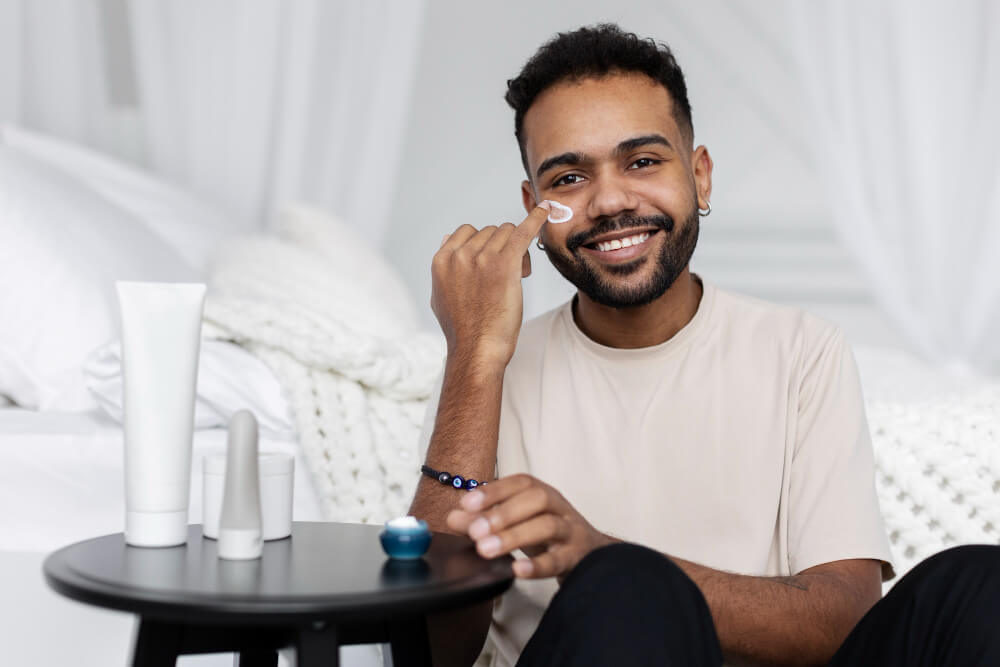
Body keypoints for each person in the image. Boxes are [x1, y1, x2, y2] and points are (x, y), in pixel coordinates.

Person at [410, 24, 1000, 667]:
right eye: (570, 178)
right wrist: (472, 355)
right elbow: (432, 651)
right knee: (624, 591)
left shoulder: (803, 352)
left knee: (979, 583)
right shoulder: (486, 371)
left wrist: (593, 552)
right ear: (533, 208)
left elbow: (843, 623)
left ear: (700, 177)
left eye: (642, 161)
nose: (609, 201)